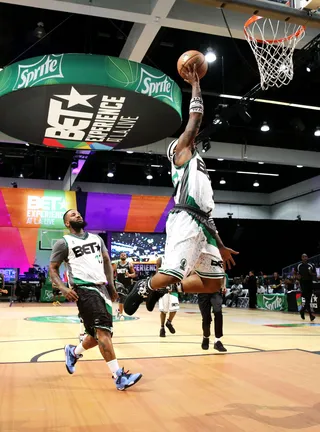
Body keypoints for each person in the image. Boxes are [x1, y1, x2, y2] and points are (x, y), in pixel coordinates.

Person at [124, 64, 238, 316]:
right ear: (176, 151)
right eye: (185, 141)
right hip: (185, 218)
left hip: (204, 222)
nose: (190, 141)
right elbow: (194, 122)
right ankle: (144, 286)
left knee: (213, 283)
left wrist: (220, 244)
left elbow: (207, 213)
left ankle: (163, 289)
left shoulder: (197, 162)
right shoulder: (180, 156)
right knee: (171, 271)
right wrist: (196, 85)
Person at [49, 209, 142, 391]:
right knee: (103, 333)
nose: (78, 216)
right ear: (67, 223)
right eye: (73, 215)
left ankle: (73, 352)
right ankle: (119, 376)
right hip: (84, 289)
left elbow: (107, 261)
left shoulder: (97, 239)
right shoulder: (64, 242)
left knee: (96, 335)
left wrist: (111, 286)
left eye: (79, 214)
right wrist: (63, 287)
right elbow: (53, 268)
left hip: (102, 289)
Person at [198, 275, 227, 352]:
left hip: (216, 291)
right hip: (203, 291)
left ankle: (217, 340)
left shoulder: (218, 263)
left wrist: (223, 286)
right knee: (206, 317)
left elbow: (222, 273)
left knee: (218, 314)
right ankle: (206, 337)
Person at [156, 256, 179, 337]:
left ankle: (169, 322)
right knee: (163, 310)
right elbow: (157, 273)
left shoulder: (177, 258)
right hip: (163, 288)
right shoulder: (160, 259)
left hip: (173, 287)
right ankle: (162, 328)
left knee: (175, 308)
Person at [294, 253, 316, 321]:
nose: (305, 258)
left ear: (307, 257)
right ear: (301, 258)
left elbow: (315, 274)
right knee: (307, 300)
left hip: (310, 283)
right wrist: (297, 276)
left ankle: (303, 311)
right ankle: (309, 315)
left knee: (308, 300)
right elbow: (294, 273)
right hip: (303, 283)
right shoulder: (299, 265)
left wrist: (310, 273)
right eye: (303, 257)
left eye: (306, 256)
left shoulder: (311, 265)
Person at [113, 252, 136, 319]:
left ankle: (118, 310)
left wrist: (129, 275)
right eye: (122, 255)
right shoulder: (116, 264)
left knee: (125, 299)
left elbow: (134, 274)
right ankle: (121, 314)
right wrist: (112, 280)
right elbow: (112, 272)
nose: (123, 256)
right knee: (121, 297)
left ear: (126, 256)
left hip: (127, 283)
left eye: (124, 255)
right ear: (120, 256)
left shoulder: (129, 264)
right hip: (119, 283)